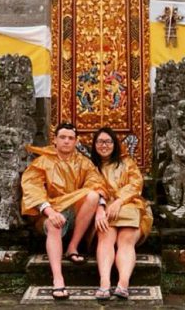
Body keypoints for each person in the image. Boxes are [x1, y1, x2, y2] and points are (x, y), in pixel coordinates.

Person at [21, 122, 107, 300]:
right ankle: (58, 278)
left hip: (76, 215)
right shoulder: (42, 162)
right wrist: (50, 212)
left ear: (76, 141)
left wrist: (100, 208)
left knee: (92, 196)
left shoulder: (84, 163)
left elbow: (97, 184)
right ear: (54, 140)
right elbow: (33, 189)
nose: (66, 141)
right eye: (62, 137)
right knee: (54, 225)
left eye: (70, 138)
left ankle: (72, 246)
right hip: (49, 213)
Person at [91, 127, 153, 301]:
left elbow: (135, 184)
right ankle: (104, 282)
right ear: (94, 144)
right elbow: (91, 188)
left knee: (125, 240)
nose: (104, 145)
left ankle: (123, 283)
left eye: (108, 141)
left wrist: (118, 201)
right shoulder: (90, 166)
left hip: (130, 204)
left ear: (115, 144)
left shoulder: (127, 162)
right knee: (105, 237)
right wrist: (100, 208)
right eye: (100, 141)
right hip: (104, 209)